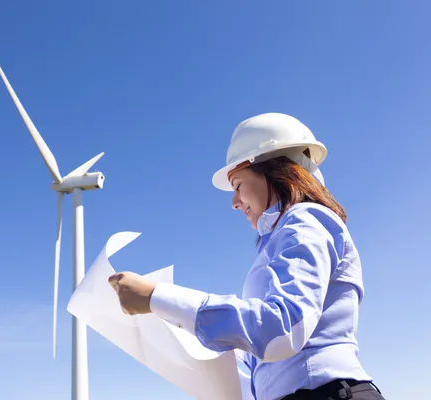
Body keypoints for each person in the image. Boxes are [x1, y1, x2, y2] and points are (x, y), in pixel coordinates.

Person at [108, 112, 385, 400]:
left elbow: (283, 326)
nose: (234, 202)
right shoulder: (285, 236)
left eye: (237, 185)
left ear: (275, 171)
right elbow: (271, 352)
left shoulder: (305, 219)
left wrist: (157, 297)